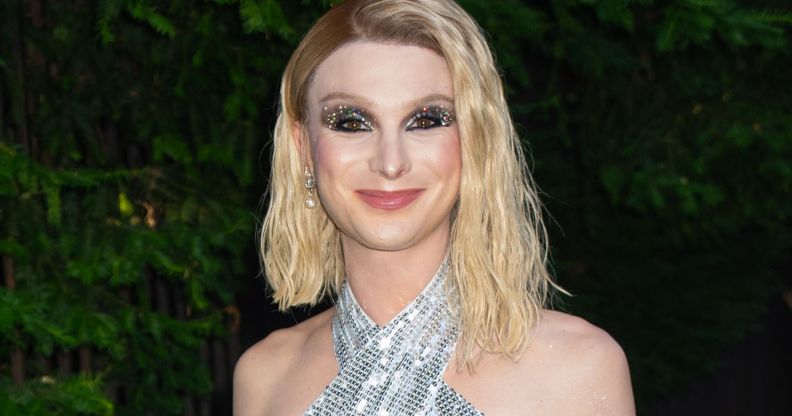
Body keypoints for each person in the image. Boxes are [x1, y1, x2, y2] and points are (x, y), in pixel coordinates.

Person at [234, 0, 635, 414]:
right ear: (303, 148)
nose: (391, 163)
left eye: (426, 120)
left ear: (476, 141)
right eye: (352, 122)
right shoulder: (265, 378)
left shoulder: (575, 370)